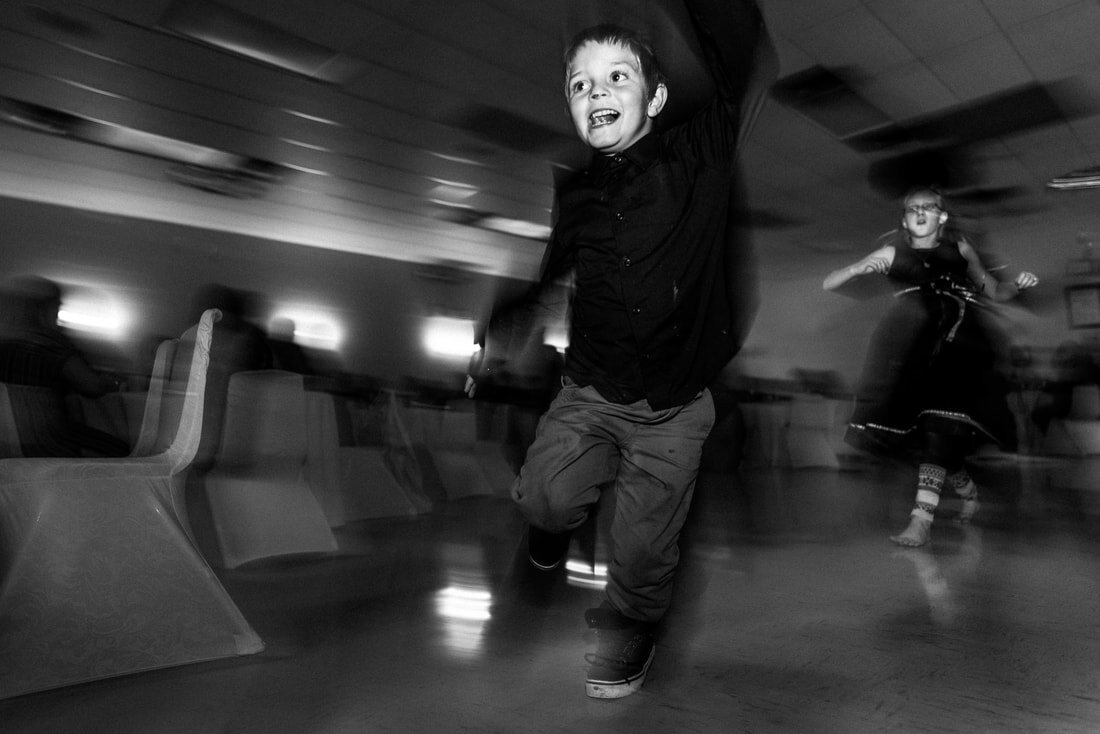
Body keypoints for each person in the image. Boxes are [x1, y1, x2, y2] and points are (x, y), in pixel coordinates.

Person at [468, 0, 775, 699]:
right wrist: (510, 314)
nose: (595, 91)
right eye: (579, 84)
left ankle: (631, 627)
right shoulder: (575, 194)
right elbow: (552, 276)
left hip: (675, 403)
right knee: (546, 497)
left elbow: (734, 53)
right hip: (591, 388)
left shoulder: (699, 153)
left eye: (615, 76)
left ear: (657, 96)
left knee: (643, 546)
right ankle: (546, 538)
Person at [823, 186, 1039, 547]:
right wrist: (857, 267)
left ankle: (920, 521)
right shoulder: (893, 251)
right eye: (912, 209)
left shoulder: (960, 249)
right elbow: (830, 283)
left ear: (942, 216)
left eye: (928, 207)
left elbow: (995, 290)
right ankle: (970, 496)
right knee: (936, 440)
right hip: (916, 350)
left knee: (942, 428)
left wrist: (1016, 286)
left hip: (963, 348)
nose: (920, 212)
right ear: (905, 219)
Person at [0, 275, 129, 457]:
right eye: (57, 307)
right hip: (48, 442)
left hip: (6, 447)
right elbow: (92, 386)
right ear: (42, 309)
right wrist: (114, 384)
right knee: (122, 450)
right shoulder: (49, 344)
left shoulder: (4, 344)